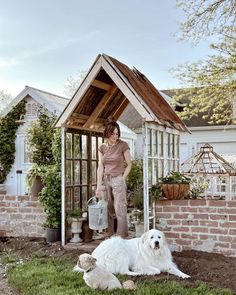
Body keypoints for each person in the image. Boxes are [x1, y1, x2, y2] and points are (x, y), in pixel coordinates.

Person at [96, 117, 132, 238]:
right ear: (108, 133)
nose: (115, 136)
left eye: (117, 134)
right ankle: (109, 234)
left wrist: (123, 178)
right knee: (108, 208)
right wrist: (98, 186)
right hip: (106, 180)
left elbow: (129, 164)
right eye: (113, 133)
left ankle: (121, 235)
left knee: (120, 208)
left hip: (118, 179)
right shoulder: (102, 147)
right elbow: (100, 167)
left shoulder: (123, 145)